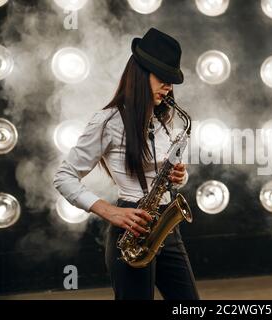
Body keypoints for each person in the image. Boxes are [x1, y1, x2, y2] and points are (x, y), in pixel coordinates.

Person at [53, 27, 199, 300]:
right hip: (132, 227)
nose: (169, 86)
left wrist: (181, 176)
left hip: (167, 225)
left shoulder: (167, 120)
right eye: (163, 77)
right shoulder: (108, 121)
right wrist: (109, 211)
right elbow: (64, 176)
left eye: (172, 79)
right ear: (141, 74)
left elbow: (173, 174)